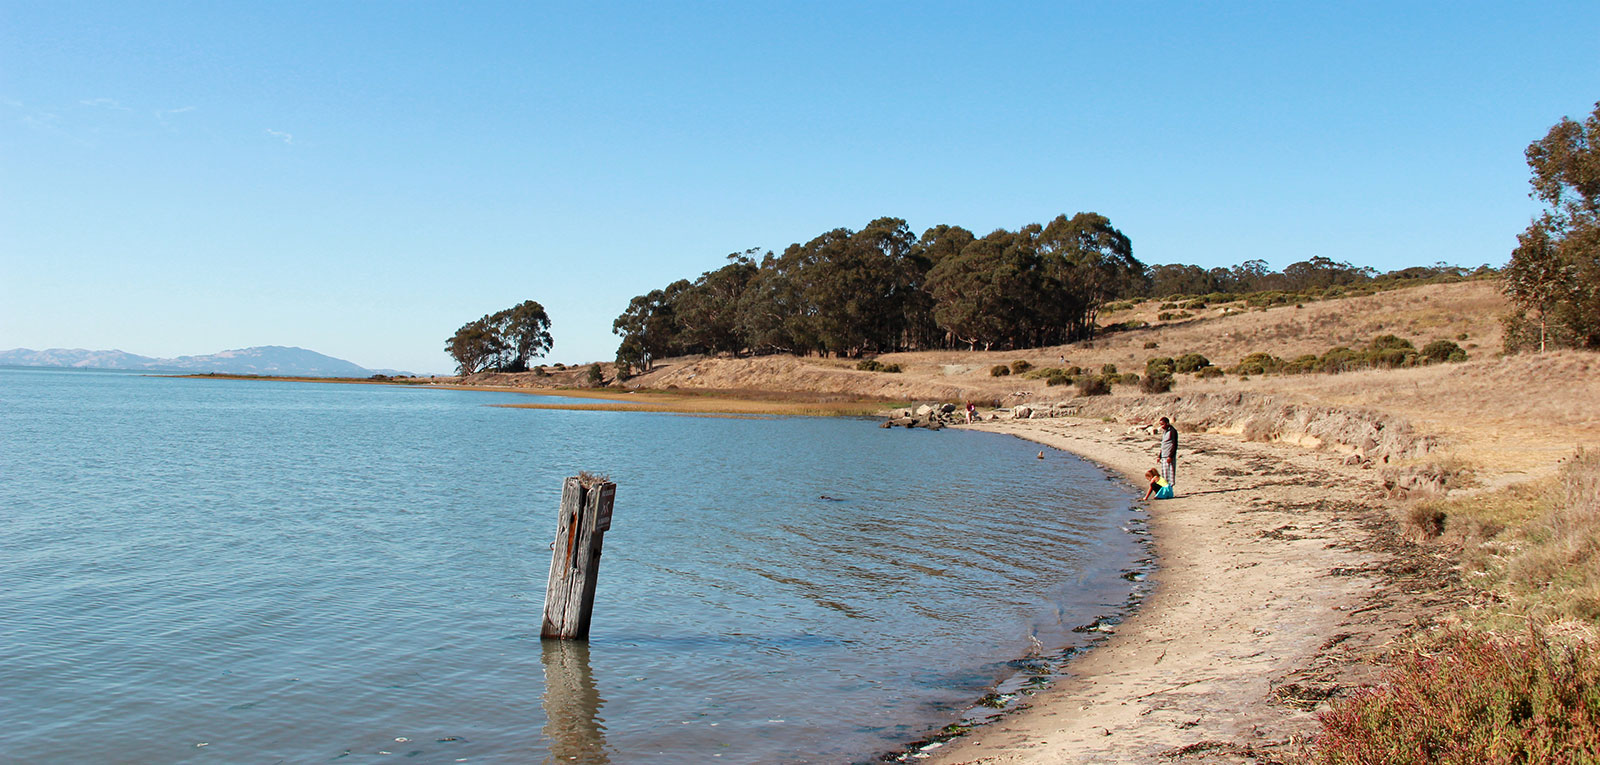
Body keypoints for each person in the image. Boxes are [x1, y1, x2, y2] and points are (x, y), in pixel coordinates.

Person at [1158, 416, 1178, 494]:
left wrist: (1170, 456)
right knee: (1164, 474)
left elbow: (1174, 444)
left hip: (1169, 456)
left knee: (1170, 474)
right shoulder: (1165, 432)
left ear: (1167, 423)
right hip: (1164, 455)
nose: (1161, 426)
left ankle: (1169, 490)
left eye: (1162, 424)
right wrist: (1159, 456)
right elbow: (1163, 445)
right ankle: (1166, 490)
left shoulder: (1173, 431)